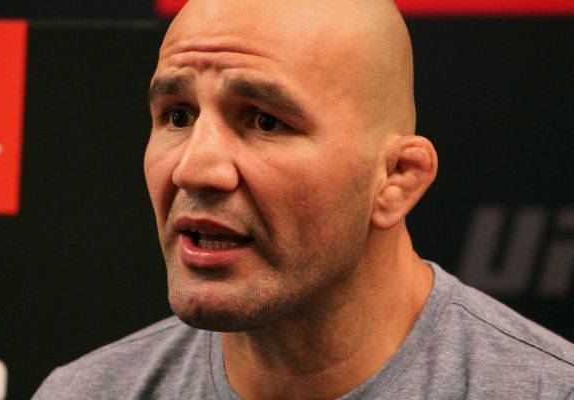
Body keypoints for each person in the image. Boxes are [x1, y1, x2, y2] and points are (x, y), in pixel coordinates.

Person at [33, 0, 574, 398]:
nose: (194, 168)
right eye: (178, 115)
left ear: (397, 179)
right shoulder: (85, 392)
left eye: (264, 121)